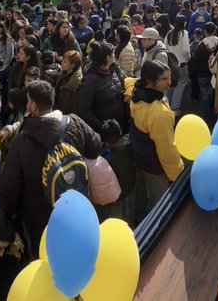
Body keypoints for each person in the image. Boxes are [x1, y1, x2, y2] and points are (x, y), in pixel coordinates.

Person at [0, 81, 102, 257]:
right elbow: (96, 146)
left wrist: (8, 217)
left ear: (33, 105)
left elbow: (9, 185)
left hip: (40, 217)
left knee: (44, 253)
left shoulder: (22, 142)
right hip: (77, 205)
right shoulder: (74, 122)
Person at [130, 60, 183, 218]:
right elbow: (166, 149)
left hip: (139, 159)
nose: (169, 82)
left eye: (170, 77)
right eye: (164, 79)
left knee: (140, 199)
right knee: (157, 207)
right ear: (149, 81)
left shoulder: (136, 93)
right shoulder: (158, 113)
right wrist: (177, 175)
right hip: (155, 168)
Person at [77, 40, 130, 131]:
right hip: (107, 132)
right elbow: (84, 111)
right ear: (108, 57)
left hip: (123, 123)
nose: (114, 56)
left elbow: (127, 82)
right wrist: (104, 128)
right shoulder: (89, 81)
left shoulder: (115, 69)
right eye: (113, 54)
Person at [100, 121, 136, 223]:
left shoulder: (110, 160)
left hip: (118, 195)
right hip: (131, 186)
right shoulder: (129, 142)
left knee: (118, 218)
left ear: (107, 141)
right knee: (130, 211)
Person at [56, 50, 83, 115]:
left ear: (72, 65)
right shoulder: (63, 74)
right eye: (62, 61)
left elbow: (75, 107)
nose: (62, 63)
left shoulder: (76, 83)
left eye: (65, 62)